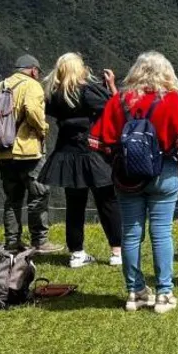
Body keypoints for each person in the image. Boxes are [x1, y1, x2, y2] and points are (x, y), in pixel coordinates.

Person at [89, 51, 178, 314]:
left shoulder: (119, 100)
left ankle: (135, 293)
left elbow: (97, 141)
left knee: (131, 233)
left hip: (127, 178)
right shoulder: (170, 100)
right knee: (161, 233)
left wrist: (117, 160)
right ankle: (164, 294)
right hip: (164, 172)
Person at [0, 55, 61, 253]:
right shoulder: (32, 85)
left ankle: (12, 242)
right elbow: (32, 109)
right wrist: (43, 128)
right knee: (38, 195)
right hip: (28, 152)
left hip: (4, 151)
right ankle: (39, 241)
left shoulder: (1, 85)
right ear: (34, 70)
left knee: (12, 198)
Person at [39, 53, 123, 268]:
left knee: (74, 204)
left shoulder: (54, 95)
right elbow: (115, 108)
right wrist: (110, 85)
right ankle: (117, 251)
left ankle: (77, 252)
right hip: (92, 152)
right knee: (107, 201)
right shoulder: (87, 91)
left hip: (66, 153)